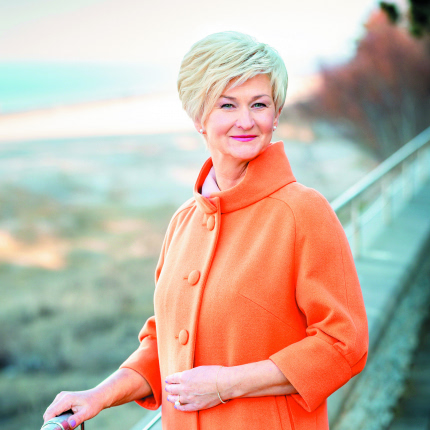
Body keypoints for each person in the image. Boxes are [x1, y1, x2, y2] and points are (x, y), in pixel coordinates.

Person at [43, 31, 368, 430]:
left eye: (259, 104)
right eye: (227, 104)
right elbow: (165, 342)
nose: (246, 120)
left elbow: (344, 344)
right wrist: (98, 396)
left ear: (276, 114)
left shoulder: (304, 211)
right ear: (199, 118)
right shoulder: (183, 221)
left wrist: (226, 384)